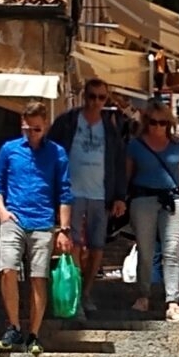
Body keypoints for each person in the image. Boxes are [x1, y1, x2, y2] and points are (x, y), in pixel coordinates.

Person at [0, 101, 73, 355]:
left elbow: (65, 193)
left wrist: (64, 229)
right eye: (28, 129)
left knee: (39, 277)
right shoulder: (9, 150)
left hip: (43, 222)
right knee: (7, 269)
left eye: (36, 129)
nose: (32, 134)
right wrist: (2, 212)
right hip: (13, 218)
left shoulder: (57, 153)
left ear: (45, 125)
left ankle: (34, 333)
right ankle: (14, 325)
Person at [126, 102, 179, 321]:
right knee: (145, 251)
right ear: (146, 123)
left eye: (162, 123)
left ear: (169, 124)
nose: (157, 127)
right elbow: (127, 176)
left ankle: (173, 301)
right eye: (153, 122)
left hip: (172, 200)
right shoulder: (135, 146)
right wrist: (119, 199)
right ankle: (143, 295)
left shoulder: (177, 146)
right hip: (143, 199)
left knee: (172, 251)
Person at [49, 77, 128, 295]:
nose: (96, 102)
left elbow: (119, 162)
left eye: (101, 98)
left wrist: (120, 196)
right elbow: (50, 150)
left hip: (101, 194)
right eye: (92, 97)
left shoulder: (110, 128)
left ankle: (87, 291)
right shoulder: (67, 122)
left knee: (97, 245)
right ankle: (74, 291)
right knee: (73, 242)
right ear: (85, 96)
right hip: (71, 193)